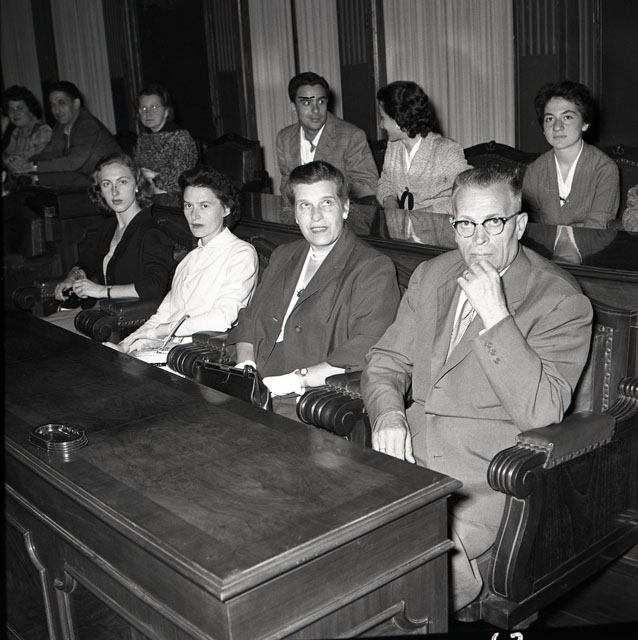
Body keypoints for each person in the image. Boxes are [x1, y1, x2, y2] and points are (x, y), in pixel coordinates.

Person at [361, 166, 592, 611]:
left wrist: (496, 317)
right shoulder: (432, 275)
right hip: (404, 463)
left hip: (483, 482)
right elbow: (386, 361)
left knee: (392, 585)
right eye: (465, 224)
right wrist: (388, 415)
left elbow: (542, 413)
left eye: (493, 222)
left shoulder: (560, 299)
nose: (478, 239)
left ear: (519, 225)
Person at [227, 160, 400, 420]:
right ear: (295, 214)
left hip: (310, 402)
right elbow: (249, 319)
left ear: (345, 207)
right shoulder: (283, 255)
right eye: (305, 205)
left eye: (326, 203)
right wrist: (245, 367)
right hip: (252, 391)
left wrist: (298, 380)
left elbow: (368, 345)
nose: (316, 216)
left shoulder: (372, 267)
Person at [113, 165, 258, 354]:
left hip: (199, 355)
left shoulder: (241, 254)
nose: (194, 215)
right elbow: (163, 314)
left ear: (226, 209)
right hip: (165, 350)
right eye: (188, 205)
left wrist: (159, 332)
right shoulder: (189, 259)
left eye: (204, 206)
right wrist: (126, 345)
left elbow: (222, 317)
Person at [49, 153, 175, 331]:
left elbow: (153, 288)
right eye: (106, 184)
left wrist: (101, 290)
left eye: (122, 182)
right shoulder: (108, 226)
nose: (115, 192)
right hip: (100, 315)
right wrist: (73, 277)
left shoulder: (151, 232)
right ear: (100, 191)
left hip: (131, 322)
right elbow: (86, 263)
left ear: (136, 185)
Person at [522, 80, 620, 228]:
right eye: (549, 119)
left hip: (589, 243)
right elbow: (529, 228)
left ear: (585, 124)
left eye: (567, 117)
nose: (557, 127)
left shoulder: (604, 169)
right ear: (543, 128)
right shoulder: (534, 171)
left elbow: (596, 229)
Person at [276, 72, 378, 202]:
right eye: (306, 103)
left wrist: (329, 192)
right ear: (293, 107)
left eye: (321, 102)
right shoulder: (284, 138)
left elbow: (370, 185)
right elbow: (286, 184)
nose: (316, 110)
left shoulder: (351, 136)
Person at [376, 80, 470, 215]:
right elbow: (386, 182)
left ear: (398, 121)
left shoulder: (445, 151)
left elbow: (468, 192)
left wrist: (423, 214)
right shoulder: (394, 146)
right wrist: (390, 201)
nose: (381, 125)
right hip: (403, 226)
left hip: (440, 226)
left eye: (383, 118)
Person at [18, 81, 121, 185]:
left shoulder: (88, 124)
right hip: (87, 181)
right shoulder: (60, 126)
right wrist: (25, 163)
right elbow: (50, 153)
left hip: (114, 180)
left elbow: (72, 162)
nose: (56, 110)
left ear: (76, 104)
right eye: (52, 105)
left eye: (61, 103)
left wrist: (33, 166)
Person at [134, 84, 199, 194]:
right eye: (143, 108)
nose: (148, 113)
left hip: (175, 197)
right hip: (147, 195)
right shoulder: (143, 138)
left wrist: (152, 177)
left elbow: (181, 179)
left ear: (166, 111)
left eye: (154, 107)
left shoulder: (180, 137)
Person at [2, 85, 52, 175]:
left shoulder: (43, 131)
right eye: (11, 110)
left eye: (20, 108)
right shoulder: (16, 132)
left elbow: (43, 162)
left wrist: (13, 161)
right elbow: (6, 154)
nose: (15, 113)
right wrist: (7, 158)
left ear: (31, 110)